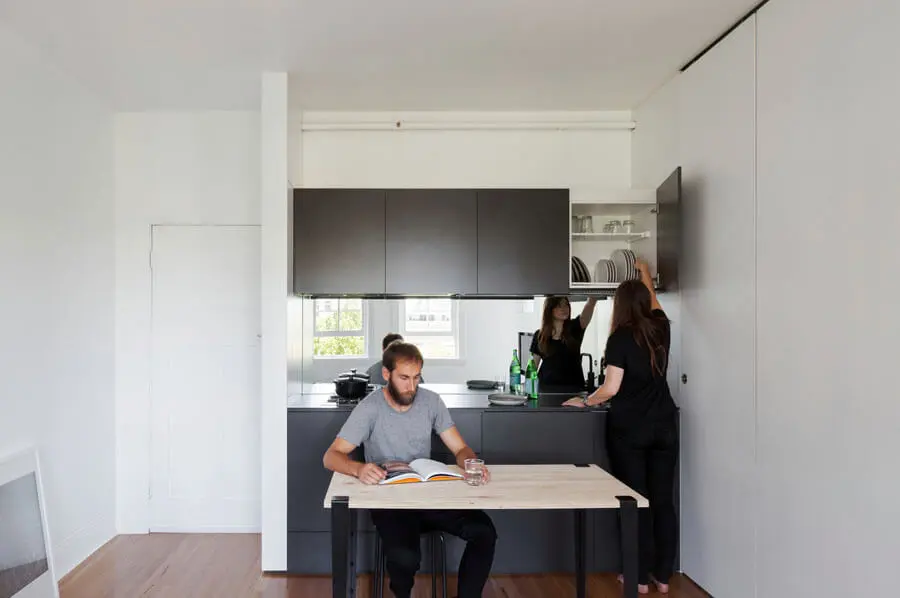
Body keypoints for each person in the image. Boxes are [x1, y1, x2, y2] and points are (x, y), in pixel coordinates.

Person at [323, 341, 496, 598]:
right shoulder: (369, 408)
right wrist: (358, 469)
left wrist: (471, 463)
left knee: (484, 532)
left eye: (416, 377)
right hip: (390, 502)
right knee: (405, 557)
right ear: (386, 374)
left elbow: (460, 448)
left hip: (428, 496)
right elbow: (331, 456)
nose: (411, 386)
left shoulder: (431, 402)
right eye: (404, 378)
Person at [562, 260, 678, 594]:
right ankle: (663, 577)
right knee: (662, 502)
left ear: (620, 305)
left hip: (630, 430)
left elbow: (611, 388)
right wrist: (644, 273)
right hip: (664, 426)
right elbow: (654, 301)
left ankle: (638, 578)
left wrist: (585, 401)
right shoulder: (661, 327)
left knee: (635, 501)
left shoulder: (620, 338)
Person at [529, 296, 599, 392]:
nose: (564, 309)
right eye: (559, 306)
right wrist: (529, 390)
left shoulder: (575, 328)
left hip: (574, 389)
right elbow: (533, 367)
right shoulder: (540, 335)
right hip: (546, 389)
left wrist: (592, 297)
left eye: (566, 305)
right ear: (550, 309)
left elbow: (589, 306)